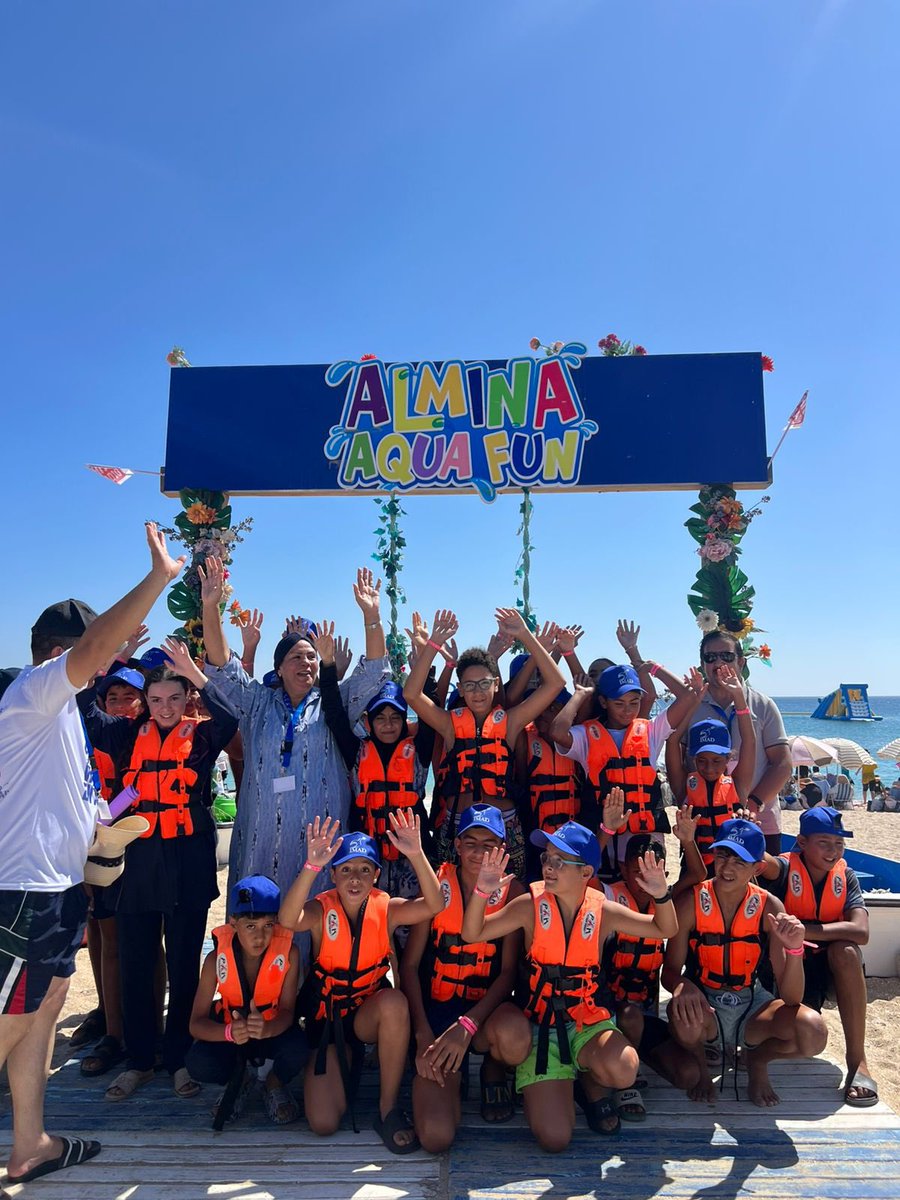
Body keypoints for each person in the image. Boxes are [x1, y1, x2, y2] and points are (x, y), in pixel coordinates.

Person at [0, 523, 184, 1185]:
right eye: (91, 660)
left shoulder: (68, 717)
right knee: (7, 1020)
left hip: (57, 892)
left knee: (43, 1010)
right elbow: (92, 651)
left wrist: (100, 835)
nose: (102, 671)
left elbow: (72, 801)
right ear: (56, 654)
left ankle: (30, 1143)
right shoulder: (33, 694)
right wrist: (158, 579)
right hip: (21, 894)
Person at [82, 638, 239, 1102]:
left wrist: (194, 672)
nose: (165, 708)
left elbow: (229, 715)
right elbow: (84, 710)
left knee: (185, 964)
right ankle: (138, 1061)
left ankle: (177, 1060)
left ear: (187, 698)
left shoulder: (204, 737)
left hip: (188, 864)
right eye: (156, 700)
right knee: (135, 963)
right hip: (140, 866)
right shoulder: (127, 733)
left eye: (175, 698)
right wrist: (114, 658)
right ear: (145, 703)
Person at [461, 821, 677, 1151]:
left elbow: (664, 928)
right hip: (540, 1026)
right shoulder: (529, 906)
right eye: (547, 858)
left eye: (560, 861)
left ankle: (587, 1076)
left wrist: (661, 894)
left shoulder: (603, 911)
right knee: (555, 1139)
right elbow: (472, 933)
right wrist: (482, 892)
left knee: (624, 1069)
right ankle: (562, 1081)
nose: (549, 866)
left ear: (586, 872)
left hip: (585, 1023)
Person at [200, 559, 391, 923]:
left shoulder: (333, 703)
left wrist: (371, 616)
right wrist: (211, 609)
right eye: (296, 657)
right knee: (259, 922)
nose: (306, 662)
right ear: (280, 667)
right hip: (260, 840)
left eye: (311, 656)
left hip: (320, 842)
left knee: (319, 920)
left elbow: (374, 671)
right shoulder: (257, 703)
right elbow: (223, 667)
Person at [279, 811, 443, 1154]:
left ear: (377, 876)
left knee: (395, 1003)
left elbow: (434, 904)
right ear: (334, 875)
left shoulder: (388, 909)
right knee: (323, 1123)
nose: (355, 879)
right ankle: (346, 1062)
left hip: (366, 1016)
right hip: (329, 1024)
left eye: (365, 870)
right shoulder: (320, 911)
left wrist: (416, 853)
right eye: (346, 870)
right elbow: (287, 919)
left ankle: (387, 1109)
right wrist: (310, 867)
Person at [662, 818, 828, 1107]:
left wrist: (794, 950)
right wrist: (683, 985)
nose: (727, 868)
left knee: (814, 1031)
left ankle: (757, 1060)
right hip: (705, 1003)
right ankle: (702, 1068)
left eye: (740, 861)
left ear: (757, 868)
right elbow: (670, 973)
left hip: (753, 1003)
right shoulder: (690, 901)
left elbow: (791, 998)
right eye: (723, 855)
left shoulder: (769, 906)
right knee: (682, 1013)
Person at [400, 804, 528, 1150]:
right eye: (470, 842)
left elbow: (507, 974)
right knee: (437, 1137)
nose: (479, 852)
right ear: (456, 846)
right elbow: (409, 966)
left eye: (489, 845)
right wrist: (423, 1032)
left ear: (502, 849)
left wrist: (467, 1027)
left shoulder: (513, 894)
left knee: (516, 1037)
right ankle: (451, 1080)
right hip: (438, 1015)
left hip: (484, 1016)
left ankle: (492, 1068)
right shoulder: (436, 886)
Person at [403, 606, 565, 879]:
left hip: (505, 823)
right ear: (461, 688)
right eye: (469, 685)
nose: (477, 692)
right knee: (452, 894)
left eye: (483, 683)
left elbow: (555, 684)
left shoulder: (512, 721)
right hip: (457, 824)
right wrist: (433, 644)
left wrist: (525, 634)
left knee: (507, 892)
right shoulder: (449, 724)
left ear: (495, 684)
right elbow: (411, 694)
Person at [758, 806, 876, 1106]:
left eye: (839, 844)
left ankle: (857, 1062)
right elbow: (763, 862)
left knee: (847, 950)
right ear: (801, 842)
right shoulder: (784, 869)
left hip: (823, 972)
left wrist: (802, 931)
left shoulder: (846, 877)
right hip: (781, 972)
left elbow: (861, 931)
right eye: (824, 842)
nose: (833, 851)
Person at [551, 658, 701, 882]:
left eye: (634, 702)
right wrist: (581, 694)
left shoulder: (651, 731)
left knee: (646, 890)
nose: (628, 710)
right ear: (603, 702)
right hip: (605, 832)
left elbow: (688, 697)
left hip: (644, 833)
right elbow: (557, 732)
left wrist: (655, 669)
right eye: (619, 703)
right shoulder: (586, 735)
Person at [315, 620, 434, 899]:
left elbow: (428, 705)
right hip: (368, 855)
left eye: (395, 717)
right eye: (380, 717)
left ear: (405, 720)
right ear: (368, 721)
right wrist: (328, 665)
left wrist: (424, 655)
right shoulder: (356, 750)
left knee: (412, 920)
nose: (389, 725)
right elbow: (334, 714)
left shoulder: (420, 748)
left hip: (411, 856)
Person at [601, 810, 706, 1120]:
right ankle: (626, 1084)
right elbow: (585, 871)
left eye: (652, 874)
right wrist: (608, 831)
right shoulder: (608, 897)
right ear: (622, 868)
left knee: (688, 1075)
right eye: (636, 872)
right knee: (631, 1015)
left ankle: (636, 1056)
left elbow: (698, 875)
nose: (644, 882)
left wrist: (687, 841)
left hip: (645, 1017)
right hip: (612, 1014)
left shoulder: (665, 901)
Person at [187, 874, 305, 1124]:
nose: (260, 937)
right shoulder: (214, 960)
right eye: (250, 926)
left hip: (271, 1031)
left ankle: (272, 1084)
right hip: (232, 1034)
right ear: (233, 924)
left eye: (268, 925)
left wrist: (268, 1028)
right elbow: (196, 1023)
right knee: (198, 1062)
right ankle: (239, 1080)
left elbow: (287, 1011)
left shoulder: (290, 954)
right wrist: (229, 1032)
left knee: (300, 1048)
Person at [686, 632, 791, 855]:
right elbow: (677, 751)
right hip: (703, 822)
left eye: (726, 656)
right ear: (703, 664)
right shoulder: (692, 704)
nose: (719, 663)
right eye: (710, 657)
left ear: (741, 662)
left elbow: (782, 764)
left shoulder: (762, 704)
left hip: (759, 821)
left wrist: (751, 804)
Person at [669, 704, 756, 870]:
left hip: (729, 867)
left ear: (728, 759)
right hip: (695, 866)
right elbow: (673, 740)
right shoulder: (684, 786)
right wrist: (693, 703)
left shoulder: (738, 784)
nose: (709, 769)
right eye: (702, 760)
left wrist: (739, 700)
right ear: (694, 759)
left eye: (716, 761)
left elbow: (750, 741)